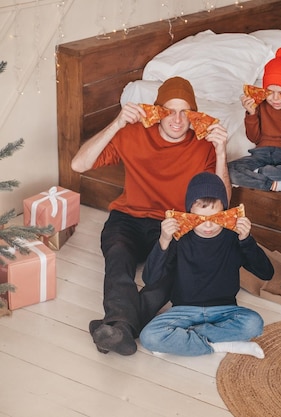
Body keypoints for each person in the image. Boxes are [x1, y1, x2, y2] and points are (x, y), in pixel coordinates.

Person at [71, 76, 230, 356]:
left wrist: (221, 152)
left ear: (194, 115)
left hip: (174, 224)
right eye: (169, 111)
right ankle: (123, 326)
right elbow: (78, 163)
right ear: (157, 112)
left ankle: (119, 328)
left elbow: (223, 203)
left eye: (185, 112)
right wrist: (117, 122)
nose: (177, 120)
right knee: (118, 256)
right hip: (128, 217)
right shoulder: (131, 133)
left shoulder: (204, 145)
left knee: (172, 274)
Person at [139, 172, 273, 358]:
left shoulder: (233, 237)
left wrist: (246, 240)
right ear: (188, 214)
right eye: (200, 219)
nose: (208, 226)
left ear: (225, 212)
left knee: (254, 323)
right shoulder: (179, 239)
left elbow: (266, 273)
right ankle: (222, 345)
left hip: (225, 310)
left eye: (215, 218)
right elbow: (150, 278)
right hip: (183, 311)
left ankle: (184, 340)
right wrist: (163, 240)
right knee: (148, 336)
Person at [228, 47, 281, 197]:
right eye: (270, 92)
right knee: (228, 169)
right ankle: (275, 184)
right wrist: (251, 113)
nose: (275, 99)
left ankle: (259, 174)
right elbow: (254, 138)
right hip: (261, 155)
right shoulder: (260, 105)